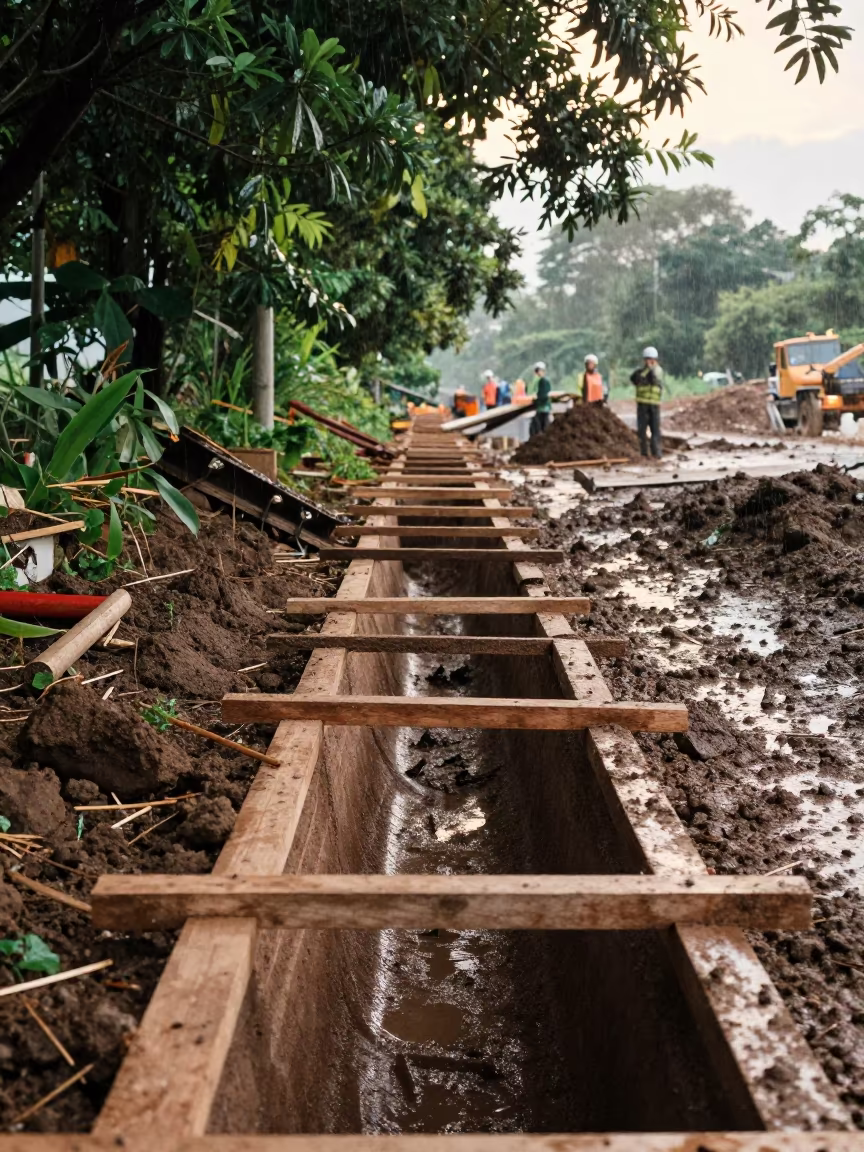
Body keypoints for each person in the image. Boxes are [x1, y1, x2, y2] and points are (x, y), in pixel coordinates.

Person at [630, 345, 664, 459]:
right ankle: (644, 453)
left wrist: (649, 370)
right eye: (647, 359)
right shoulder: (641, 372)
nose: (649, 361)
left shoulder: (658, 370)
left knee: (655, 429)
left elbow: (655, 378)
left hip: (654, 405)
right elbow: (635, 379)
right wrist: (645, 372)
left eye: (651, 359)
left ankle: (656, 452)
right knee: (642, 430)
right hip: (642, 404)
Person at [529, 361, 552, 436]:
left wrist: (536, 401)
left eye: (539, 371)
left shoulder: (543, 381)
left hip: (543, 408)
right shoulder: (541, 381)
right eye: (537, 371)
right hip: (542, 408)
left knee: (541, 429)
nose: (538, 373)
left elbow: (543, 396)